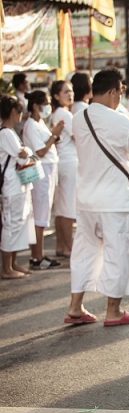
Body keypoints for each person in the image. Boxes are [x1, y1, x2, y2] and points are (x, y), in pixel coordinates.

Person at [65, 68, 129, 326]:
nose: (121, 97)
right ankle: (113, 310)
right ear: (114, 91)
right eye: (121, 92)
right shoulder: (120, 120)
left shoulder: (79, 118)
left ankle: (75, 306)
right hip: (115, 200)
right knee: (119, 252)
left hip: (86, 199)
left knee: (84, 251)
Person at [22, 90, 63, 270]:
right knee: (40, 214)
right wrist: (54, 135)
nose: (48, 107)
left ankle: (39, 254)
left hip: (49, 169)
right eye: (45, 103)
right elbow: (40, 151)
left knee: (43, 213)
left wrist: (53, 135)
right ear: (36, 106)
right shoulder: (31, 125)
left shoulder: (40, 123)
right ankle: (37, 256)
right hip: (41, 171)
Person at [0, 96, 35, 279]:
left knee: (17, 224)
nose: (21, 115)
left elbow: (22, 153)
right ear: (13, 112)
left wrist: (25, 151)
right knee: (11, 225)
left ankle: (12, 264)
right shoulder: (5, 133)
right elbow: (22, 155)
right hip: (11, 185)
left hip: (17, 184)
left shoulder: (10, 132)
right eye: (19, 111)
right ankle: (6, 268)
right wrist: (27, 151)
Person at [50, 80, 77, 258]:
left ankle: (61, 246)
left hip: (62, 162)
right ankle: (70, 248)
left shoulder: (59, 112)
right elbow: (78, 136)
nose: (70, 94)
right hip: (69, 162)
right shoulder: (64, 114)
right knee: (67, 208)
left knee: (61, 208)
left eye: (71, 91)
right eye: (66, 91)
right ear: (56, 96)